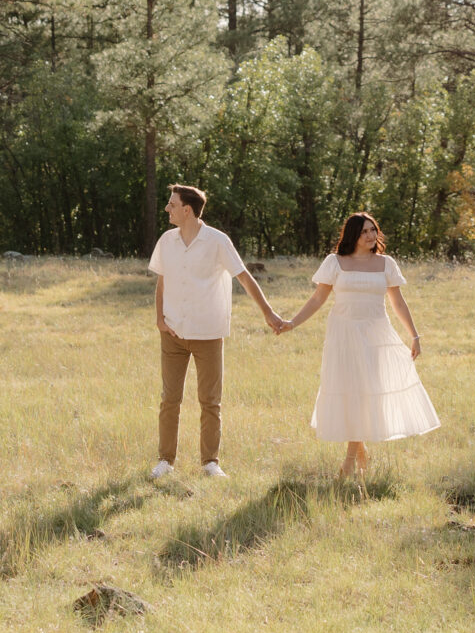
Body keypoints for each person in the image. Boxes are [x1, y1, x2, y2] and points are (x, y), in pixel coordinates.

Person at [278, 211, 437, 479]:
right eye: (364, 231)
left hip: (375, 333)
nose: (371, 235)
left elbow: (397, 302)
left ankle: (349, 463)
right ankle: (360, 450)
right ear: (353, 234)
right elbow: (318, 299)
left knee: (364, 392)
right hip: (343, 333)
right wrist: (292, 323)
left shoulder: (386, 264)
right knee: (350, 392)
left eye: (373, 230)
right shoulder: (336, 262)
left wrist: (414, 335)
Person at [149, 183, 284, 479]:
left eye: (171, 205)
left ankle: (210, 462)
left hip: (207, 332)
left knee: (210, 401)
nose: (167, 209)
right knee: (169, 399)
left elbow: (245, 278)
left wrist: (268, 312)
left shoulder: (217, 241)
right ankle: (165, 461)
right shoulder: (166, 241)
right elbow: (162, 281)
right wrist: (159, 319)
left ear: (187, 210)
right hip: (172, 332)